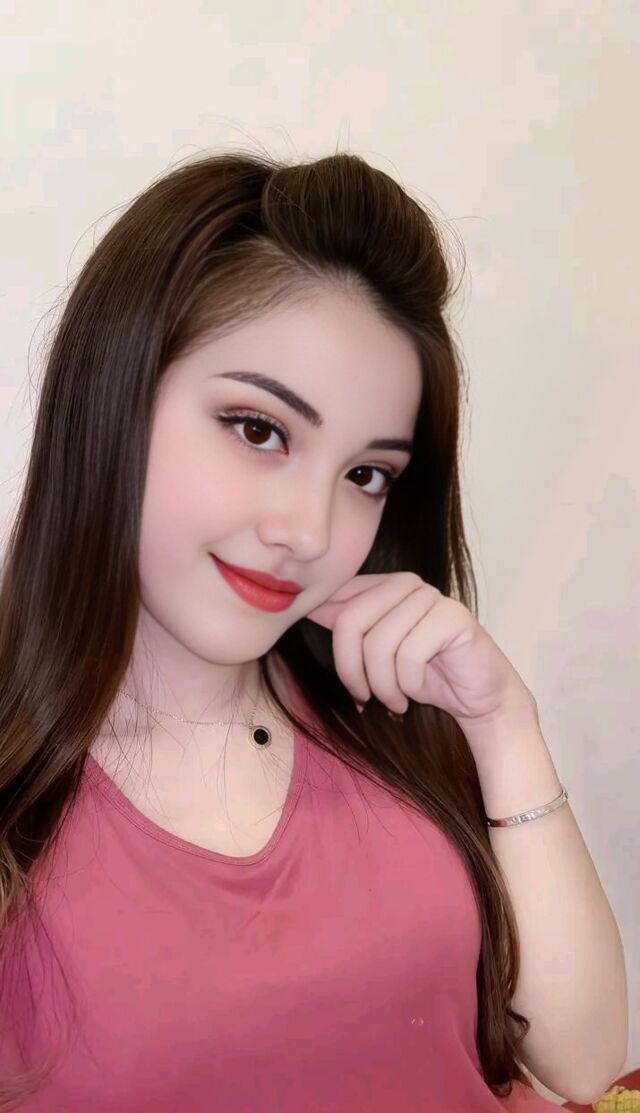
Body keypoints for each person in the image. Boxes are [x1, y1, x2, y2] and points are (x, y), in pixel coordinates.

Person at [0, 149, 627, 1111]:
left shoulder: (385, 710)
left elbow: (584, 1063)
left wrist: (504, 727)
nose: (311, 531)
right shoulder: (22, 782)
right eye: (259, 429)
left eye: (366, 474)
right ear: (114, 395)